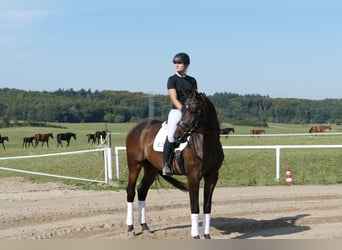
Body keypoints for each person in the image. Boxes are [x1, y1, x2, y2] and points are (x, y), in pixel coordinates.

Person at [162, 52, 198, 176]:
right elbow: (173, 98)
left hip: (191, 112)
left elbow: (195, 97)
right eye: (175, 63)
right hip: (177, 111)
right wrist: (184, 110)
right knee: (172, 136)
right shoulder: (172, 80)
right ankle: (166, 164)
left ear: (186, 65)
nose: (176, 65)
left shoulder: (192, 80)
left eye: (179, 63)